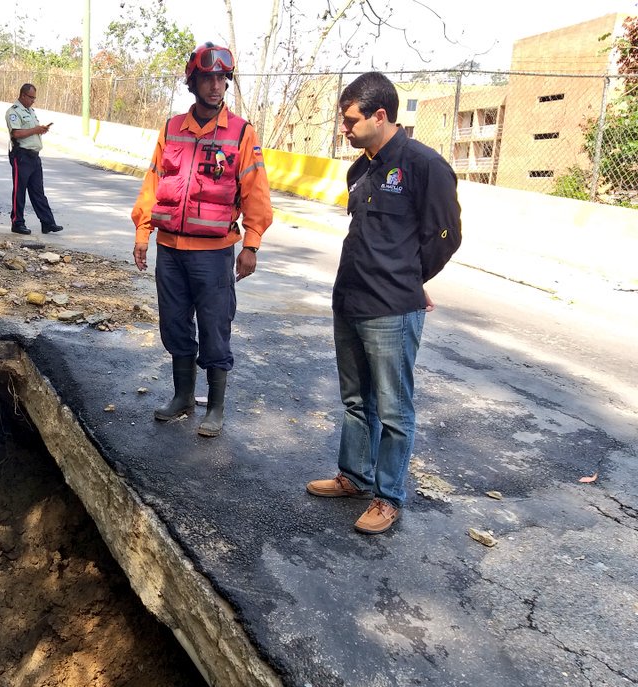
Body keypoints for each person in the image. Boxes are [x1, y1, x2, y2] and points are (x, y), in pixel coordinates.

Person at [306, 71, 462, 535]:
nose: (344, 129)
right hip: (350, 300)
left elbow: (445, 236)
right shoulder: (361, 168)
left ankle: (388, 497)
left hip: (391, 310)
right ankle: (354, 477)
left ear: (380, 115)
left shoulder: (423, 165)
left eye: (350, 120)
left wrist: (410, 281)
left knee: (394, 411)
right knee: (356, 401)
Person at [131, 43, 273, 438]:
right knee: (175, 326)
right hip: (171, 251)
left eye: (222, 79)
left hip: (213, 256)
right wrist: (144, 232)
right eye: (208, 78)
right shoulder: (172, 129)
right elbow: (153, 183)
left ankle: (215, 407)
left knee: (214, 328)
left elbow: (257, 192)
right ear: (192, 82)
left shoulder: (242, 133)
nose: (216, 86)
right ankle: (182, 398)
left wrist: (252, 243)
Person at [5, 83, 63, 236]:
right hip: (22, 156)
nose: (33, 101)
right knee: (19, 191)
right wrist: (35, 130)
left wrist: (40, 130)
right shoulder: (14, 112)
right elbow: (16, 133)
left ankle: (47, 222)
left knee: (38, 191)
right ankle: (17, 223)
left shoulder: (30, 111)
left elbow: (30, 131)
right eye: (31, 97)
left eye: (34, 98)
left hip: (34, 157)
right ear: (23, 95)